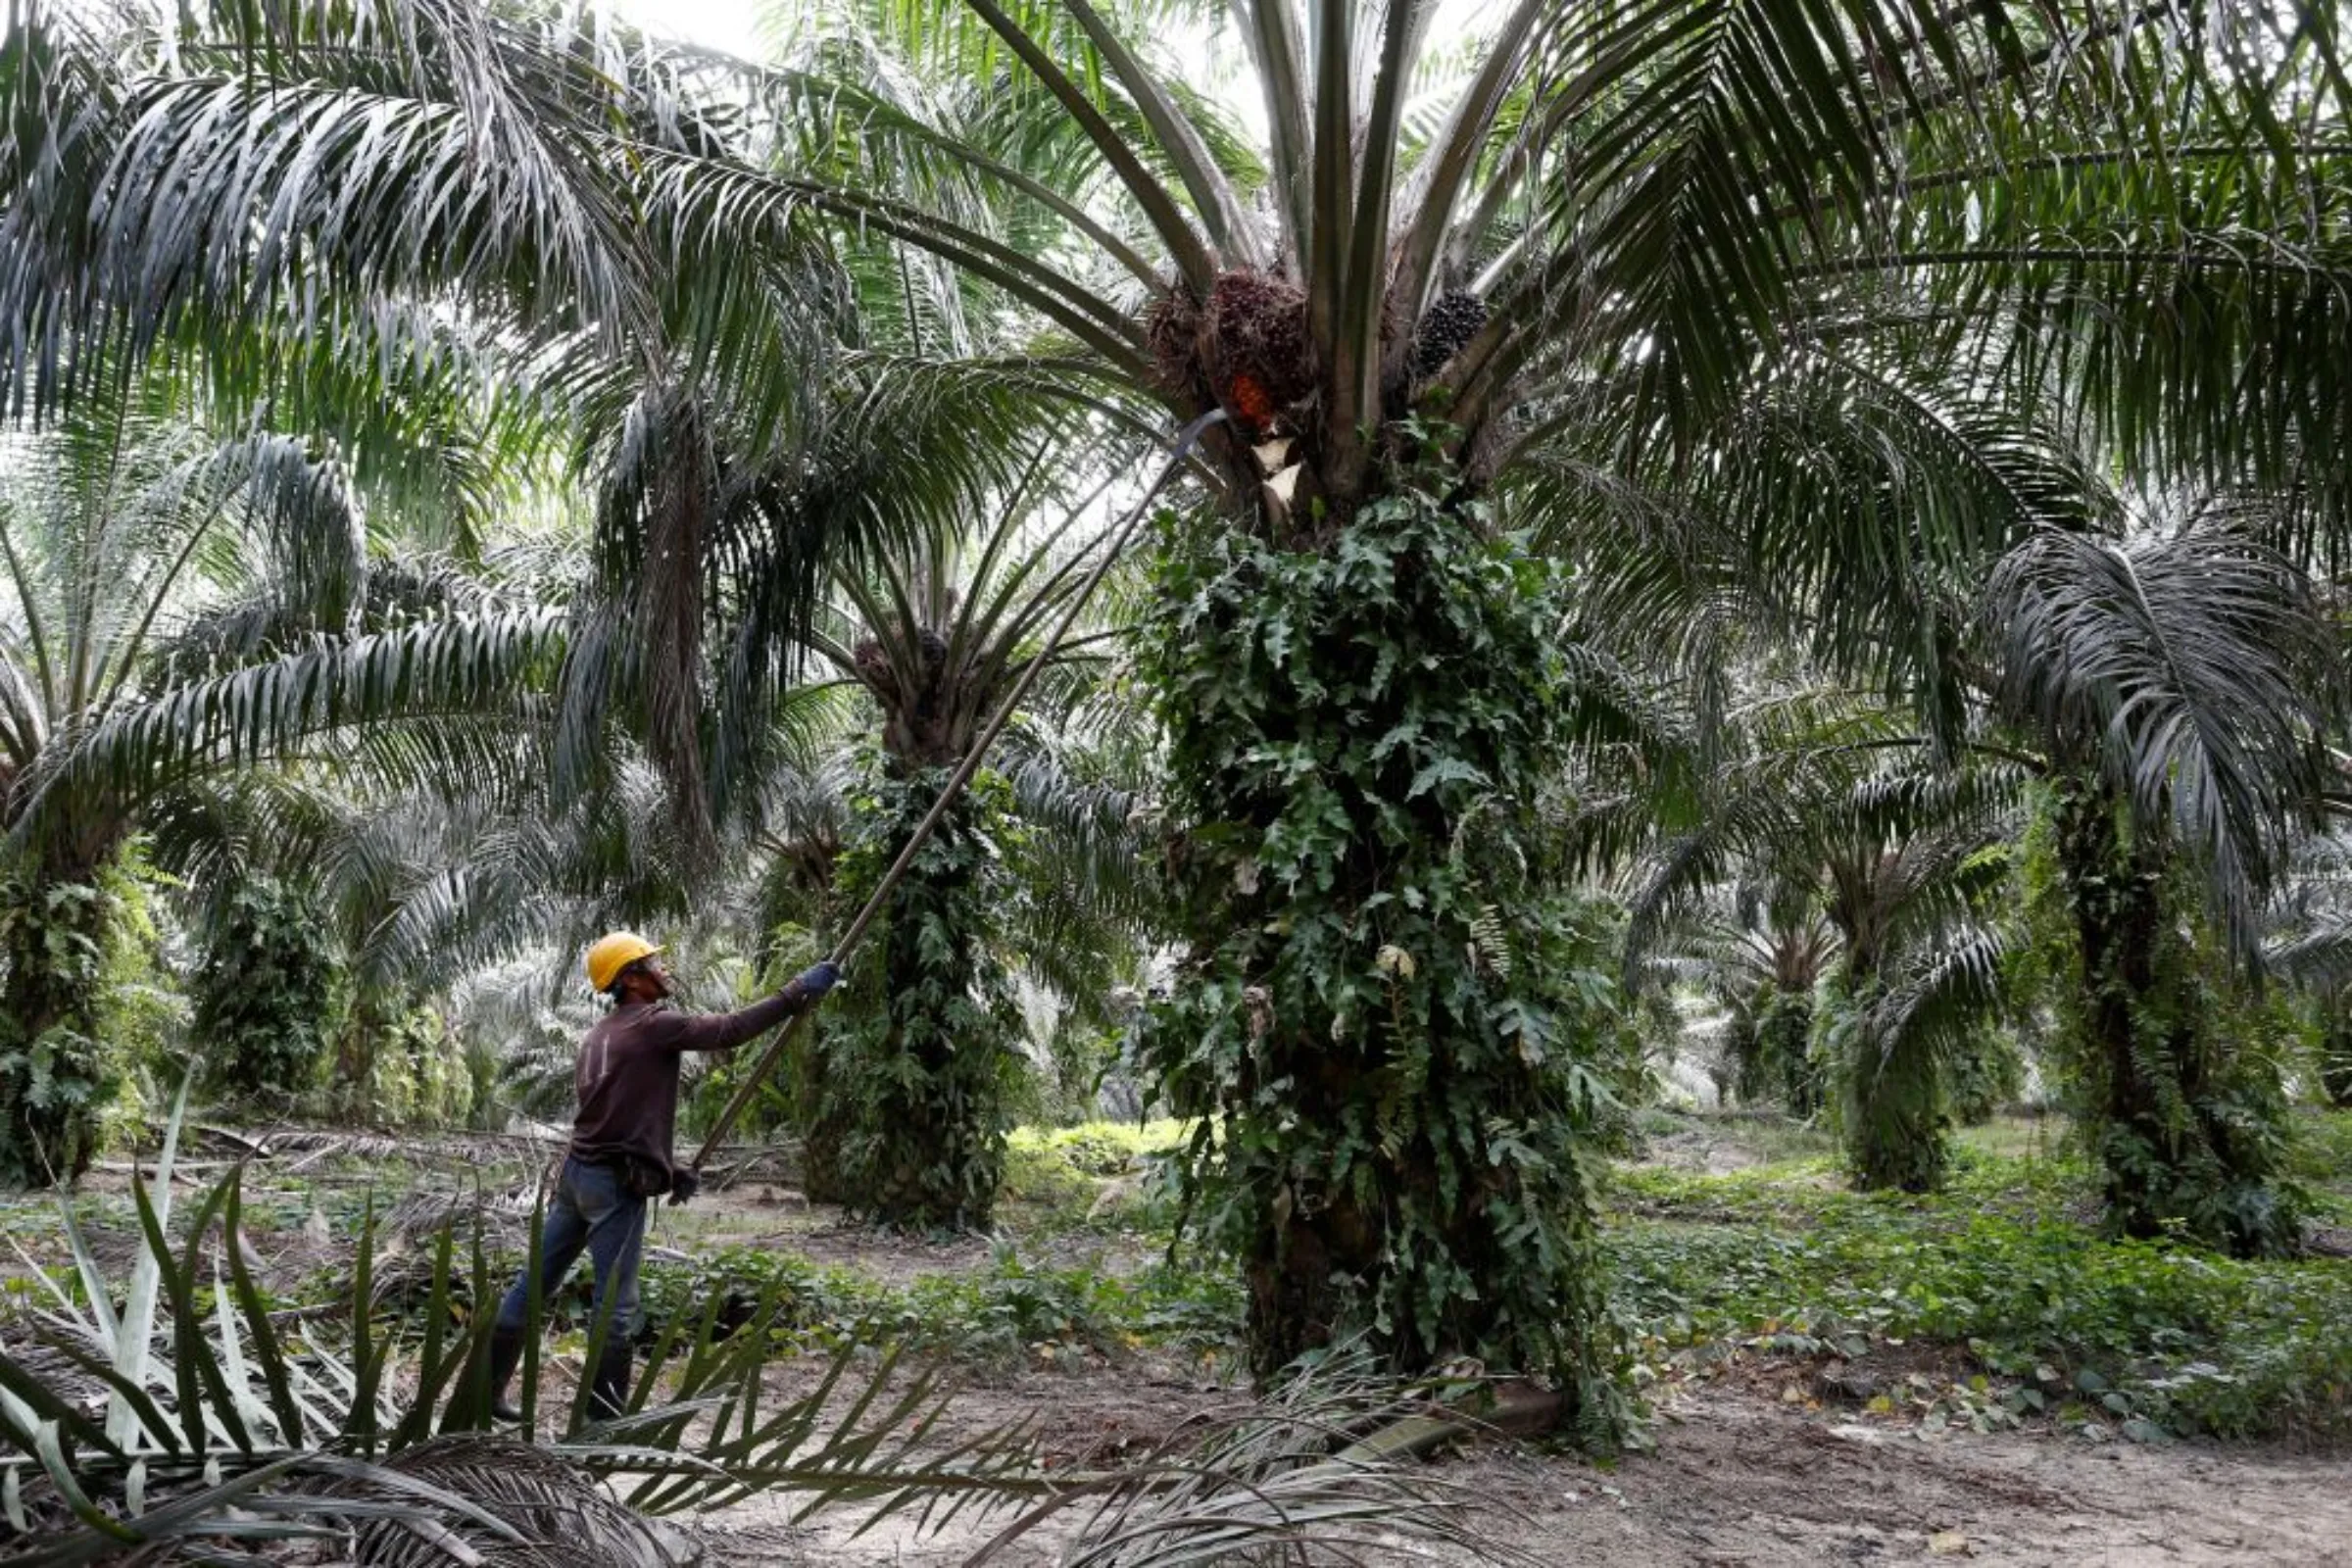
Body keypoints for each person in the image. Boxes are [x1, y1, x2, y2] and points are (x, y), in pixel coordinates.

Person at [485, 931, 840, 1422]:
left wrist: (667, 1170)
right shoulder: (652, 1025)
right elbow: (731, 1030)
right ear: (631, 978)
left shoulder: (600, 1036)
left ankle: (484, 1393)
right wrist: (796, 991)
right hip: (612, 1188)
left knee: (532, 1286)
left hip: (576, 1177)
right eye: (654, 963)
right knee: (617, 1310)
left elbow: (615, 1122)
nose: (664, 970)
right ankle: (602, 1424)